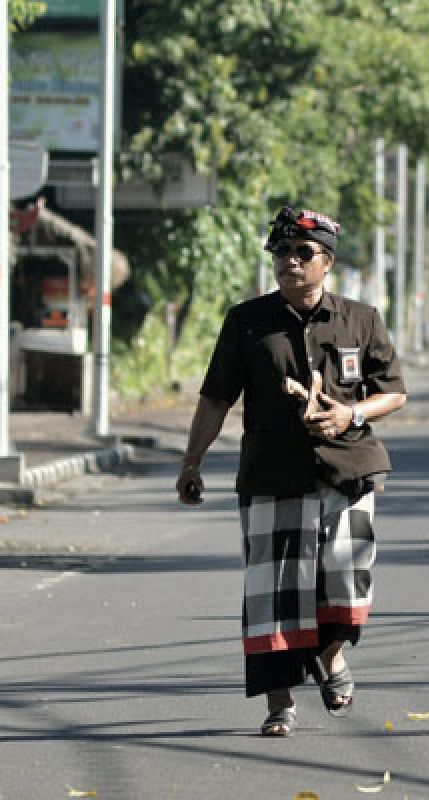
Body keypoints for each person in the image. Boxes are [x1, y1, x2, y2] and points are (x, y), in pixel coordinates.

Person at [176, 206, 407, 736]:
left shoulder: (361, 318)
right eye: (282, 252)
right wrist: (192, 462)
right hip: (271, 475)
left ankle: (331, 657)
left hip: (347, 470)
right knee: (274, 594)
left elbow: (393, 391)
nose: (291, 262)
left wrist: (351, 413)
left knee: (344, 583)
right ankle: (279, 703)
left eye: (303, 253)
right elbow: (215, 399)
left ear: (327, 262)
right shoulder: (246, 322)